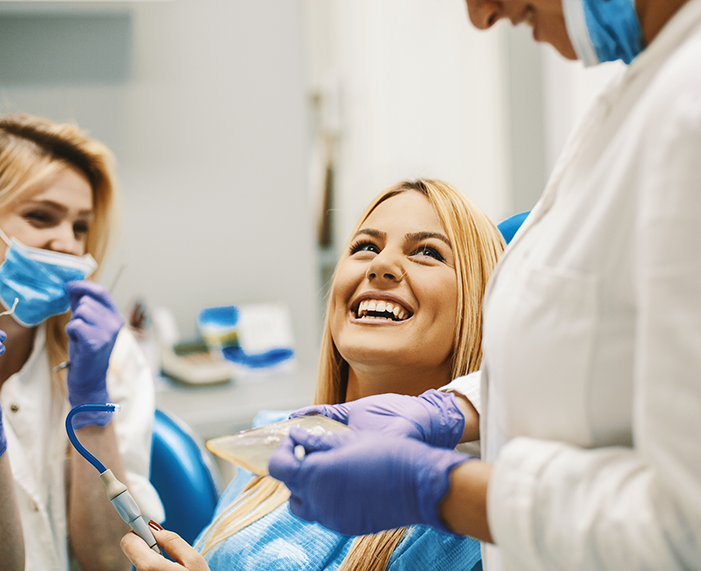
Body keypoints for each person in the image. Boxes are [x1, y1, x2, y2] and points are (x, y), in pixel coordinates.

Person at [263, 1, 701, 570]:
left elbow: (685, 526)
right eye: (365, 245)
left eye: (426, 252)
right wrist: (454, 408)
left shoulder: (686, 113)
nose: (481, 15)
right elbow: (588, 366)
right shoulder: (643, 93)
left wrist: (437, 488)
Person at [120, 178, 506, 571]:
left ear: (479, 303)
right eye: (365, 247)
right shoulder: (271, 439)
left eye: (427, 252)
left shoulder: (470, 514)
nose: (381, 265)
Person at [0, 113, 164, 571]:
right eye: (39, 216)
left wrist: (91, 407)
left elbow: (109, 561)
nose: (68, 245)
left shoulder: (106, 354)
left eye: (79, 226)